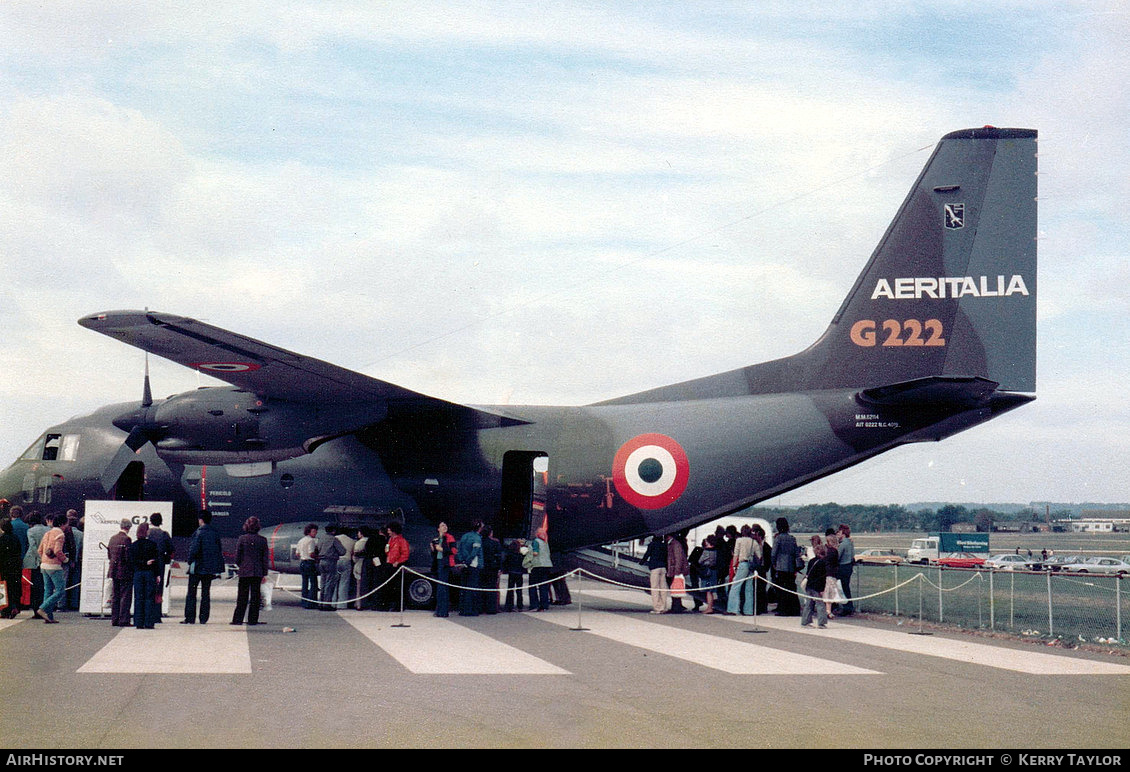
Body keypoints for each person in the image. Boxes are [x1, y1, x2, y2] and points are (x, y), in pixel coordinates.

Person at [183, 510, 224, 624]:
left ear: (200, 520)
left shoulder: (198, 532)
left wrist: (189, 560)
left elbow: (194, 549)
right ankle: (203, 618)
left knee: (192, 593)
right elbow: (218, 550)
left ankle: (190, 618)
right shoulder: (215, 532)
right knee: (206, 593)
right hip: (209, 568)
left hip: (197, 567)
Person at [231, 516, 270, 625]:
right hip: (257, 572)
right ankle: (252, 620)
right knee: (255, 597)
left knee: (242, 597)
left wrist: (242, 565)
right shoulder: (263, 540)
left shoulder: (242, 539)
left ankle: (237, 619)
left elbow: (237, 557)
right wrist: (264, 573)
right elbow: (264, 558)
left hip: (244, 571)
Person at [128, 522, 160, 629]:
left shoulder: (133, 545)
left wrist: (140, 564)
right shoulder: (152, 545)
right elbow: (156, 561)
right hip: (149, 573)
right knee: (149, 598)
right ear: (146, 531)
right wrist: (157, 574)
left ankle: (139, 622)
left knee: (138, 598)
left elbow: (131, 561)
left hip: (138, 574)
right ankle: (149, 622)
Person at [771, 517, 801, 616]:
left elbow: (774, 553)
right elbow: (796, 553)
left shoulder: (778, 538)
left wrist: (774, 563)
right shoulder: (792, 538)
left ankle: (783, 609)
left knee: (782, 588)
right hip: (791, 566)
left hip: (780, 565)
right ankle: (794, 609)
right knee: (791, 587)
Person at [147, 512, 173, 621]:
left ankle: (148, 614)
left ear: (151, 521)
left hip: (148, 564)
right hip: (160, 563)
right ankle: (157, 615)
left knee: (148, 589)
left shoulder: (147, 533)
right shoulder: (164, 534)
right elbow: (171, 549)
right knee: (158, 589)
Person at [726, 525, 756, 616]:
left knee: (735, 586)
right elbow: (758, 555)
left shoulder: (739, 540)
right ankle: (749, 610)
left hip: (742, 564)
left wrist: (734, 566)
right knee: (749, 588)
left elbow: (736, 554)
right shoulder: (753, 542)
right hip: (751, 565)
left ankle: (733, 609)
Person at [108, 519, 133, 627]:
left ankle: (114, 619)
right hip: (124, 571)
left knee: (115, 596)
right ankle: (124, 620)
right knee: (125, 596)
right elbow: (128, 557)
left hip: (113, 570)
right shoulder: (127, 539)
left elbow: (109, 555)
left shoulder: (113, 538)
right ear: (128, 528)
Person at [801, 538, 829, 629]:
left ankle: (805, 621)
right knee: (820, 604)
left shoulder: (812, 561)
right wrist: (822, 589)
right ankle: (821, 622)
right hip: (817, 586)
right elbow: (822, 578)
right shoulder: (822, 563)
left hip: (809, 585)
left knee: (809, 604)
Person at [431, 522, 456, 618]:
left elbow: (454, 551)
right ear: (438, 529)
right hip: (438, 564)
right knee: (439, 588)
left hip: (445, 564)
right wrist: (433, 550)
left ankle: (444, 611)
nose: (444, 527)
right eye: (442, 525)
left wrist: (442, 549)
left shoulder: (450, 537)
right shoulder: (436, 539)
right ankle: (438, 610)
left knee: (443, 588)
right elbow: (434, 554)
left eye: (445, 525)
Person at [457, 523, 483, 616]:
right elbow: (475, 552)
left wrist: (462, 561)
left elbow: (459, 549)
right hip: (473, 565)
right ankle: (470, 610)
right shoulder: (477, 538)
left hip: (464, 564)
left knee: (464, 587)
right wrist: (468, 561)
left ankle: (462, 609)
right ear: (479, 528)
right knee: (472, 588)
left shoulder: (464, 536)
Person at [384, 521, 411, 611]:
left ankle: (399, 605)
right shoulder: (390, 540)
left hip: (397, 565)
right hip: (389, 564)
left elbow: (405, 554)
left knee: (397, 586)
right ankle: (392, 604)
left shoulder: (402, 541)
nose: (388, 531)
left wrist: (398, 562)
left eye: (389, 530)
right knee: (390, 586)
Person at [317, 525, 345, 611]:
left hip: (321, 562)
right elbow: (342, 551)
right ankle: (327, 604)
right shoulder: (334, 539)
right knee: (329, 583)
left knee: (323, 582)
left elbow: (317, 549)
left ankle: (321, 603)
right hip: (330, 561)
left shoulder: (321, 538)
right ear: (333, 531)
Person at [0, 518, 23, 618]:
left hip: (4, 566)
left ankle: (5, 610)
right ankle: (15, 607)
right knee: (15, 587)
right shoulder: (15, 537)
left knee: (5, 588)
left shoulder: (1, 539)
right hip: (15, 565)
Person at [526, 528, 553, 612]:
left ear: (537, 534)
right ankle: (544, 605)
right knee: (543, 586)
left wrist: (527, 551)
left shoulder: (536, 541)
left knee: (532, 586)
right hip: (546, 565)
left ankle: (534, 604)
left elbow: (535, 553)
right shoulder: (545, 542)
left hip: (537, 565)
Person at [295, 523, 320, 609]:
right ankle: (311, 602)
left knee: (304, 583)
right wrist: (317, 558)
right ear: (309, 531)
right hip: (310, 562)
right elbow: (311, 553)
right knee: (313, 583)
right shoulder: (311, 541)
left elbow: (297, 553)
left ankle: (304, 602)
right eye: (314, 531)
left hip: (302, 562)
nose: (315, 533)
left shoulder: (301, 540)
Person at [643, 534, 668, 614]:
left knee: (655, 588)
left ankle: (657, 608)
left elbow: (647, 554)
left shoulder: (652, 545)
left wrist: (641, 562)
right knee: (663, 588)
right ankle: (663, 606)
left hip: (655, 568)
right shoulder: (664, 545)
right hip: (663, 568)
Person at [334, 526, 357, 610]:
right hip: (347, 561)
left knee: (334, 582)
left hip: (336, 561)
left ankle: (333, 603)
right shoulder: (352, 541)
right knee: (344, 583)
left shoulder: (335, 538)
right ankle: (342, 605)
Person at [666, 532, 689, 614]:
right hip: (673, 570)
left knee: (675, 589)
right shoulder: (674, 543)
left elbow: (678, 558)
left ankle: (676, 607)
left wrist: (677, 572)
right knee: (675, 589)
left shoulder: (675, 544)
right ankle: (676, 607)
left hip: (674, 571)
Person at [695, 535, 719, 614]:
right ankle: (710, 607)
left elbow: (700, 561)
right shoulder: (715, 551)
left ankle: (709, 608)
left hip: (707, 572)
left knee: (708, 591)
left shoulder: (706, 551)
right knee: (711, 591)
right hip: (713, 571)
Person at [835, 523, 855, 616]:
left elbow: (837, 556)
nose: (837, 535)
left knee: (842, 588)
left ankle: (846, 608)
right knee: (845, 587)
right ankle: (849, 607)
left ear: (842, 533)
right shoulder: (850, 543)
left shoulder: (843, 544)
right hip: (849, 566)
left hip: (843, 567)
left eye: (838, 533)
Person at [502, 538, 526, 612]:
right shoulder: (521, 556)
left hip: (511, 572)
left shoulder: (509, 555)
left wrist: (505, 570)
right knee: (519, 590)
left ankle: (509, 606)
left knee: (510, 589)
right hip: (519, 573)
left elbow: (506, 563)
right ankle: (520, 606)